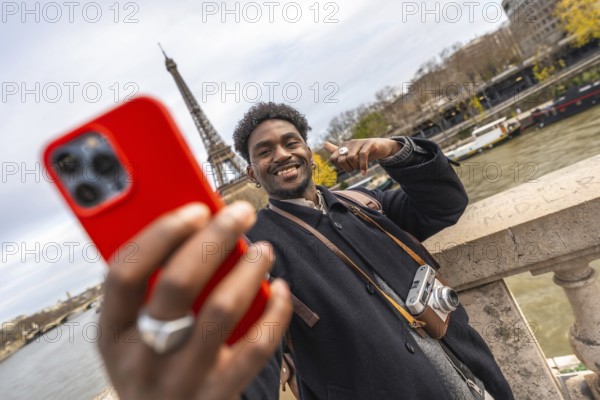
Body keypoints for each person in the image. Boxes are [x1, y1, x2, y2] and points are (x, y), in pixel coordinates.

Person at [234, 102, 514, 399]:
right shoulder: (254, 249)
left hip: (474, 380)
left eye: (291, 143)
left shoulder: (363, 202)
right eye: (265, 152)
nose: (281, 155)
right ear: (252, 174)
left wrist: (392, 150)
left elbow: (446, 206)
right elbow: (251, 353)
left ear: (310, 154)